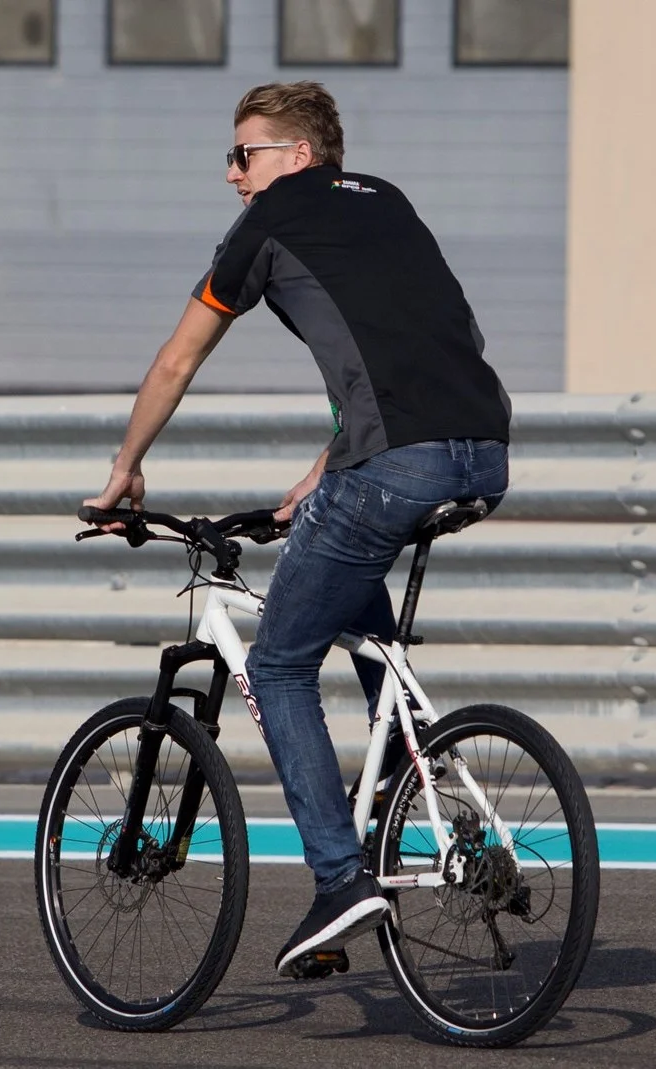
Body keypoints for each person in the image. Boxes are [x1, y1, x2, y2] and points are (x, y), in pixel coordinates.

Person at [82, 81, 512, 978]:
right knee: (346, 562)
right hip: (481, 450)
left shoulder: (267, 224)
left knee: (278, 661)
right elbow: (430, 340)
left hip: (397, 461)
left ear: (298, 156)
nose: (233, 175)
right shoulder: (388, 202)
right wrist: (324, 470)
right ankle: (404, 775)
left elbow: (178, 356)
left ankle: (338, 880)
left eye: (245, 154)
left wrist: (124, 472)